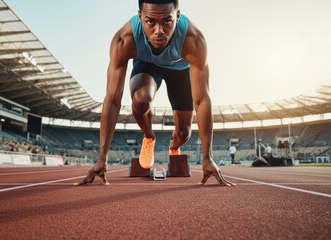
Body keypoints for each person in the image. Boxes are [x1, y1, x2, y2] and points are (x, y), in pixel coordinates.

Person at [75, 0, 235, 187]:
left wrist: (207, 158)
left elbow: (201, 100)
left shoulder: (194, 40)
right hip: (147, 64)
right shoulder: (124, 39)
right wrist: (102, 158)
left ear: (177, 16)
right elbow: (112, 100)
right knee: (140, 101)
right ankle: (149, 137)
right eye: (150, 22)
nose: (159, 30)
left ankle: (173, 147)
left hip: (180, 69)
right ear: (140, 16)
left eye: (167, 22)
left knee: (184, 133)